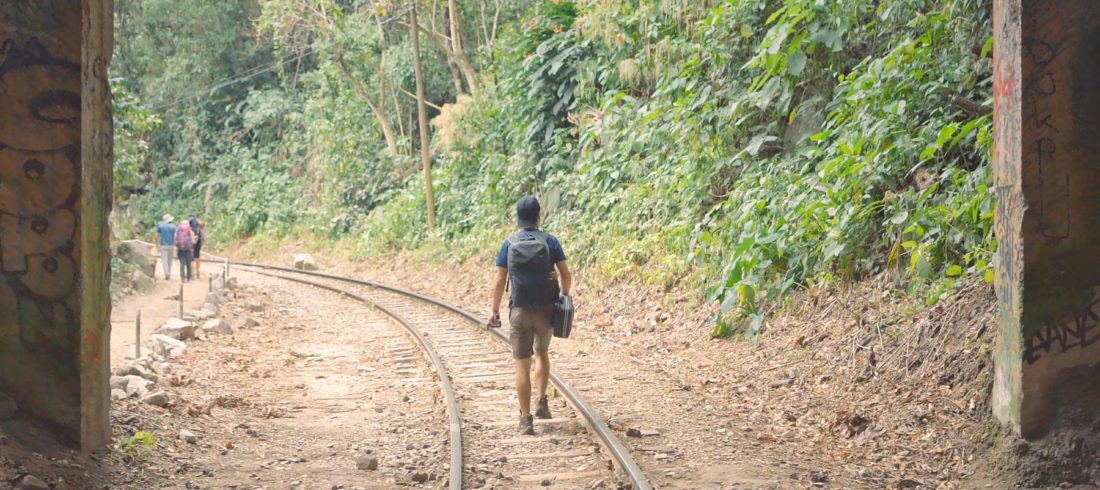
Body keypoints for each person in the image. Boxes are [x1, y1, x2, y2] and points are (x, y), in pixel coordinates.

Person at [488, 196, 572, 435]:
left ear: (518, 219)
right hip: (546, 309)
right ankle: (542, 403)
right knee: (542, 352)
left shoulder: (509, 244)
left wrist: (495, 310)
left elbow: (499, 280)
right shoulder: (550, 241)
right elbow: (566, 275)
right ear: (538, 216)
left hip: (519, 311)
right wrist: (564, 296)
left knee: (521, 365)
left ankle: (525, 419)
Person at [154, 214, 178, 280]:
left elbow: (156, 236)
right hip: (171, 245)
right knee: (169, 260)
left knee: (164, 260)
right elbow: (176, 236)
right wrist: (176, 245)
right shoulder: (173, 226)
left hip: (163, 245)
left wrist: (157, 245)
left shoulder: (160, 226)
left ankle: (167, 274)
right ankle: (169, 273)